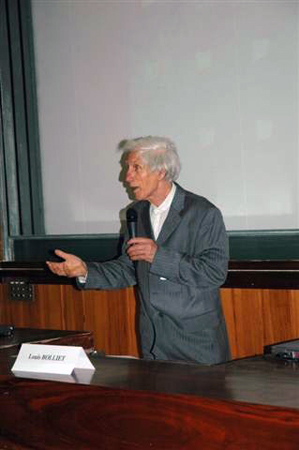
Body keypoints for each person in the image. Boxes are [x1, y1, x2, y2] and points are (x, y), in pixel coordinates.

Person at [47, 136, 230, 364]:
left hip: (197, 344)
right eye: (127, 168)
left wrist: (158, 256)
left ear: (161, 171)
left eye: (136, 168)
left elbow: (214, 272)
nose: (126, 177)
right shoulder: (136, 213)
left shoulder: (203, 213)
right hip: (154, 342)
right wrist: (85, 271)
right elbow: (128, 268)